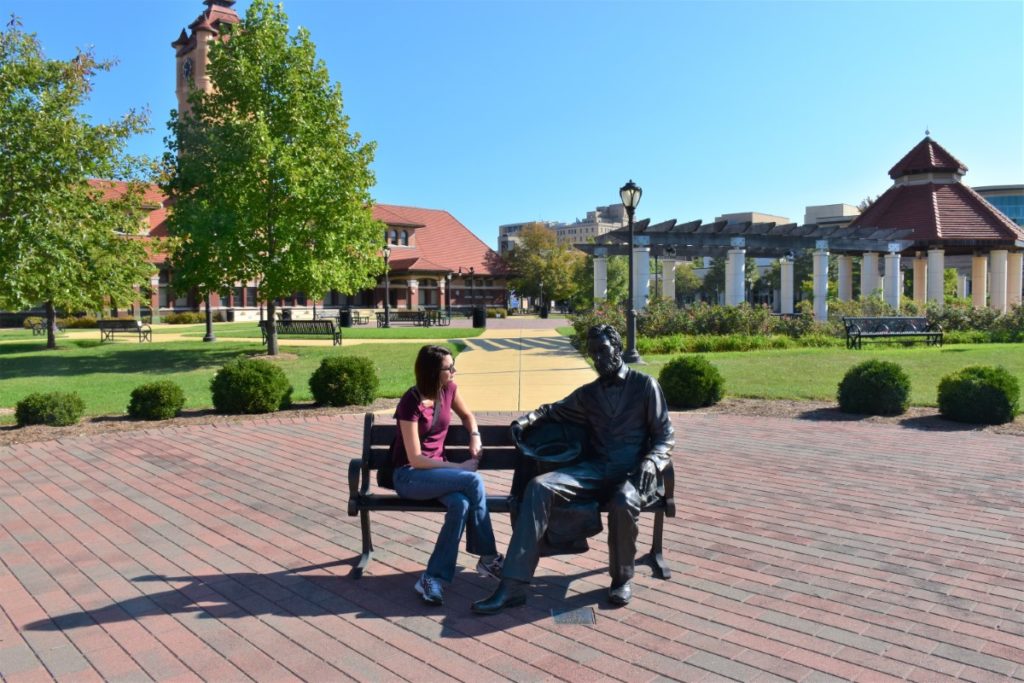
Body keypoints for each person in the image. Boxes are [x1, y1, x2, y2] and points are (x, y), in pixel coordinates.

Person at [472, 324, 674, 614]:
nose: (599, 359)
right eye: (593, 354)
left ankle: (621, 579)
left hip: (631, 473)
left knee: (623, 502)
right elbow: (551, 410)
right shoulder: (588, 394)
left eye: (603, 351)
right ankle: (513, 585)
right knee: (539, 486)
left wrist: (652, 461)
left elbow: (666, 435)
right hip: (595, 470)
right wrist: (524, 421)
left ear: (617, 348)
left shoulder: (644, 387)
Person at [391, 345, 503, 606]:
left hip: (437, 474)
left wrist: (474, 435)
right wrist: (459, 468)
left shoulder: (449, 389)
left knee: (461, 504)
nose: (454, 371)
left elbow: (467, 415)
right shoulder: (411, 402)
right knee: (473, 480)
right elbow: (415, 458)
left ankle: (432, 578)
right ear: (432, 372)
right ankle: (488, 557)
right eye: (448, 368)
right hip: (409, 476)